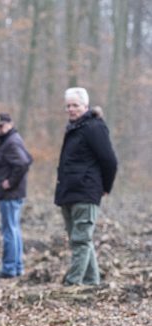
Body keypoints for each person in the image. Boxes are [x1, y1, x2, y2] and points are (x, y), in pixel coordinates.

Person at [55, 88, 118, 287]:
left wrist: (105, 186)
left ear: (85, 106)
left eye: (75, 105)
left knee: (81, 240)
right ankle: (93, 282)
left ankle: (72, 284)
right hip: (69, 193)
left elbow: (109, 160)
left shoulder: (94, 127)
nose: (71, 109)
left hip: (86, 192)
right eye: (68, 106)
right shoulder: (73, 128)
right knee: (80, 240)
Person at [0, 112, 32, 280]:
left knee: (10, 231)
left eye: (2, 126)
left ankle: (9, 269)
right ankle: (17, 267)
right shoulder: (9, 140)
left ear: (10, 124)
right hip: (11, 195)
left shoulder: (11, 142)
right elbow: (27, 159)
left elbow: (23, 163)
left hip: (10, 194)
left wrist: (10, 182)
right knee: (14, 230)